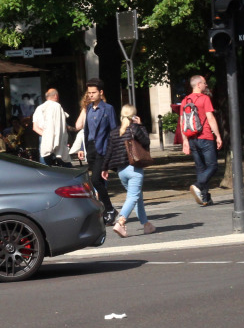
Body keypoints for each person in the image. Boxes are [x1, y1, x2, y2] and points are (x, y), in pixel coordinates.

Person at [103, 104, 155, 238]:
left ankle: (146, 224)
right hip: (134, 169)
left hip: (121, 171)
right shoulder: (135, 128)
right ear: (133, 116)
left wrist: (104, 168)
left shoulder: (114, 132)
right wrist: (141, 125)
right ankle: (121, 221)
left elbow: (108, 152)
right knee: (133, 196)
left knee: (137, 197)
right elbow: (146, 142)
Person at [75, 80, 118, 222]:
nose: (91, 95)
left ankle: (110, 209)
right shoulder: (88, 109)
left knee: (95, 180)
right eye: (89, 93)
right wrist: (82, 147)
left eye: (93, 92)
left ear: (101, 92)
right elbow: (85, 130)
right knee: (96, 181)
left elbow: (114, 131)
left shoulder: (108, 109)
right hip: (91, 148)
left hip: (103, 148)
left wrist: (113, 152)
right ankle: (106, 211)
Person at [180, 74, 222, 206]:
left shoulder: (185, 100)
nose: (206, 85)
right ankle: (198, 185)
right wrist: (218, 136)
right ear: (198, 85)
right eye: (204, 83)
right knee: (213, 166)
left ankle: (205, 197)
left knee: (201, 168)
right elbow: (210, 118)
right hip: (205, 137)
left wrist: (185, 141)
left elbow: (182, 122)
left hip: (192, 138)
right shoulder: (204, 99)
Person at [33, 88, 71, 167]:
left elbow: (35, 127)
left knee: (45, 160)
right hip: (57, 136)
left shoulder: (39, 108)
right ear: (56, 96)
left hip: (43, 137)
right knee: (62, 158)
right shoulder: (57, 106)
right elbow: (61, 125)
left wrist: (46, 135)